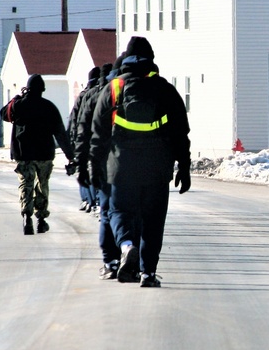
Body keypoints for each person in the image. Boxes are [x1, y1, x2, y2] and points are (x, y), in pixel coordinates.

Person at [90, 36, 191, 288]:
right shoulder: (165, 90)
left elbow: (98, 134)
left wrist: (95, 167)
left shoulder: (112, 89)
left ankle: (126, 246)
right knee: (153, 221)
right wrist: (184, 167)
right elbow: (181, 132)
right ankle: (147, 273)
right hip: (157, 169)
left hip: (121, 168)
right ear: (151, 61)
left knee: (119, 212)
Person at [0, 74, 74, 235]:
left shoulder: (18, 106)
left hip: (24, 154)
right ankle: (41, 220)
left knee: (26, 185)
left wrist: (17, 98)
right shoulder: (49, 107)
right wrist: (70, 155)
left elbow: (3, 114)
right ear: (42, 90)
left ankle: (27, 217)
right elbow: (61, 133)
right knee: (42, 185)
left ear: (28, 88)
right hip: (44, 154)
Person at [74, 61, 125, 280]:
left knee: (107, 213)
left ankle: (110, 261)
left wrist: (81, 162)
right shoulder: (125, 90)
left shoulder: (94, 95)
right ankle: (134, 256)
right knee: (129, 213)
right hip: (129, 160)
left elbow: (82, 129)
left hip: (103, 161)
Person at [69, 66, 101, 212]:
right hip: (97, 136)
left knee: (84, 169)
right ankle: (95, 200)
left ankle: (87, 200)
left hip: (82, 137)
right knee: (94, 168)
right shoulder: (102, 93)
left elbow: (75, 118)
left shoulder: (84, 95)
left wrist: (73, 138)